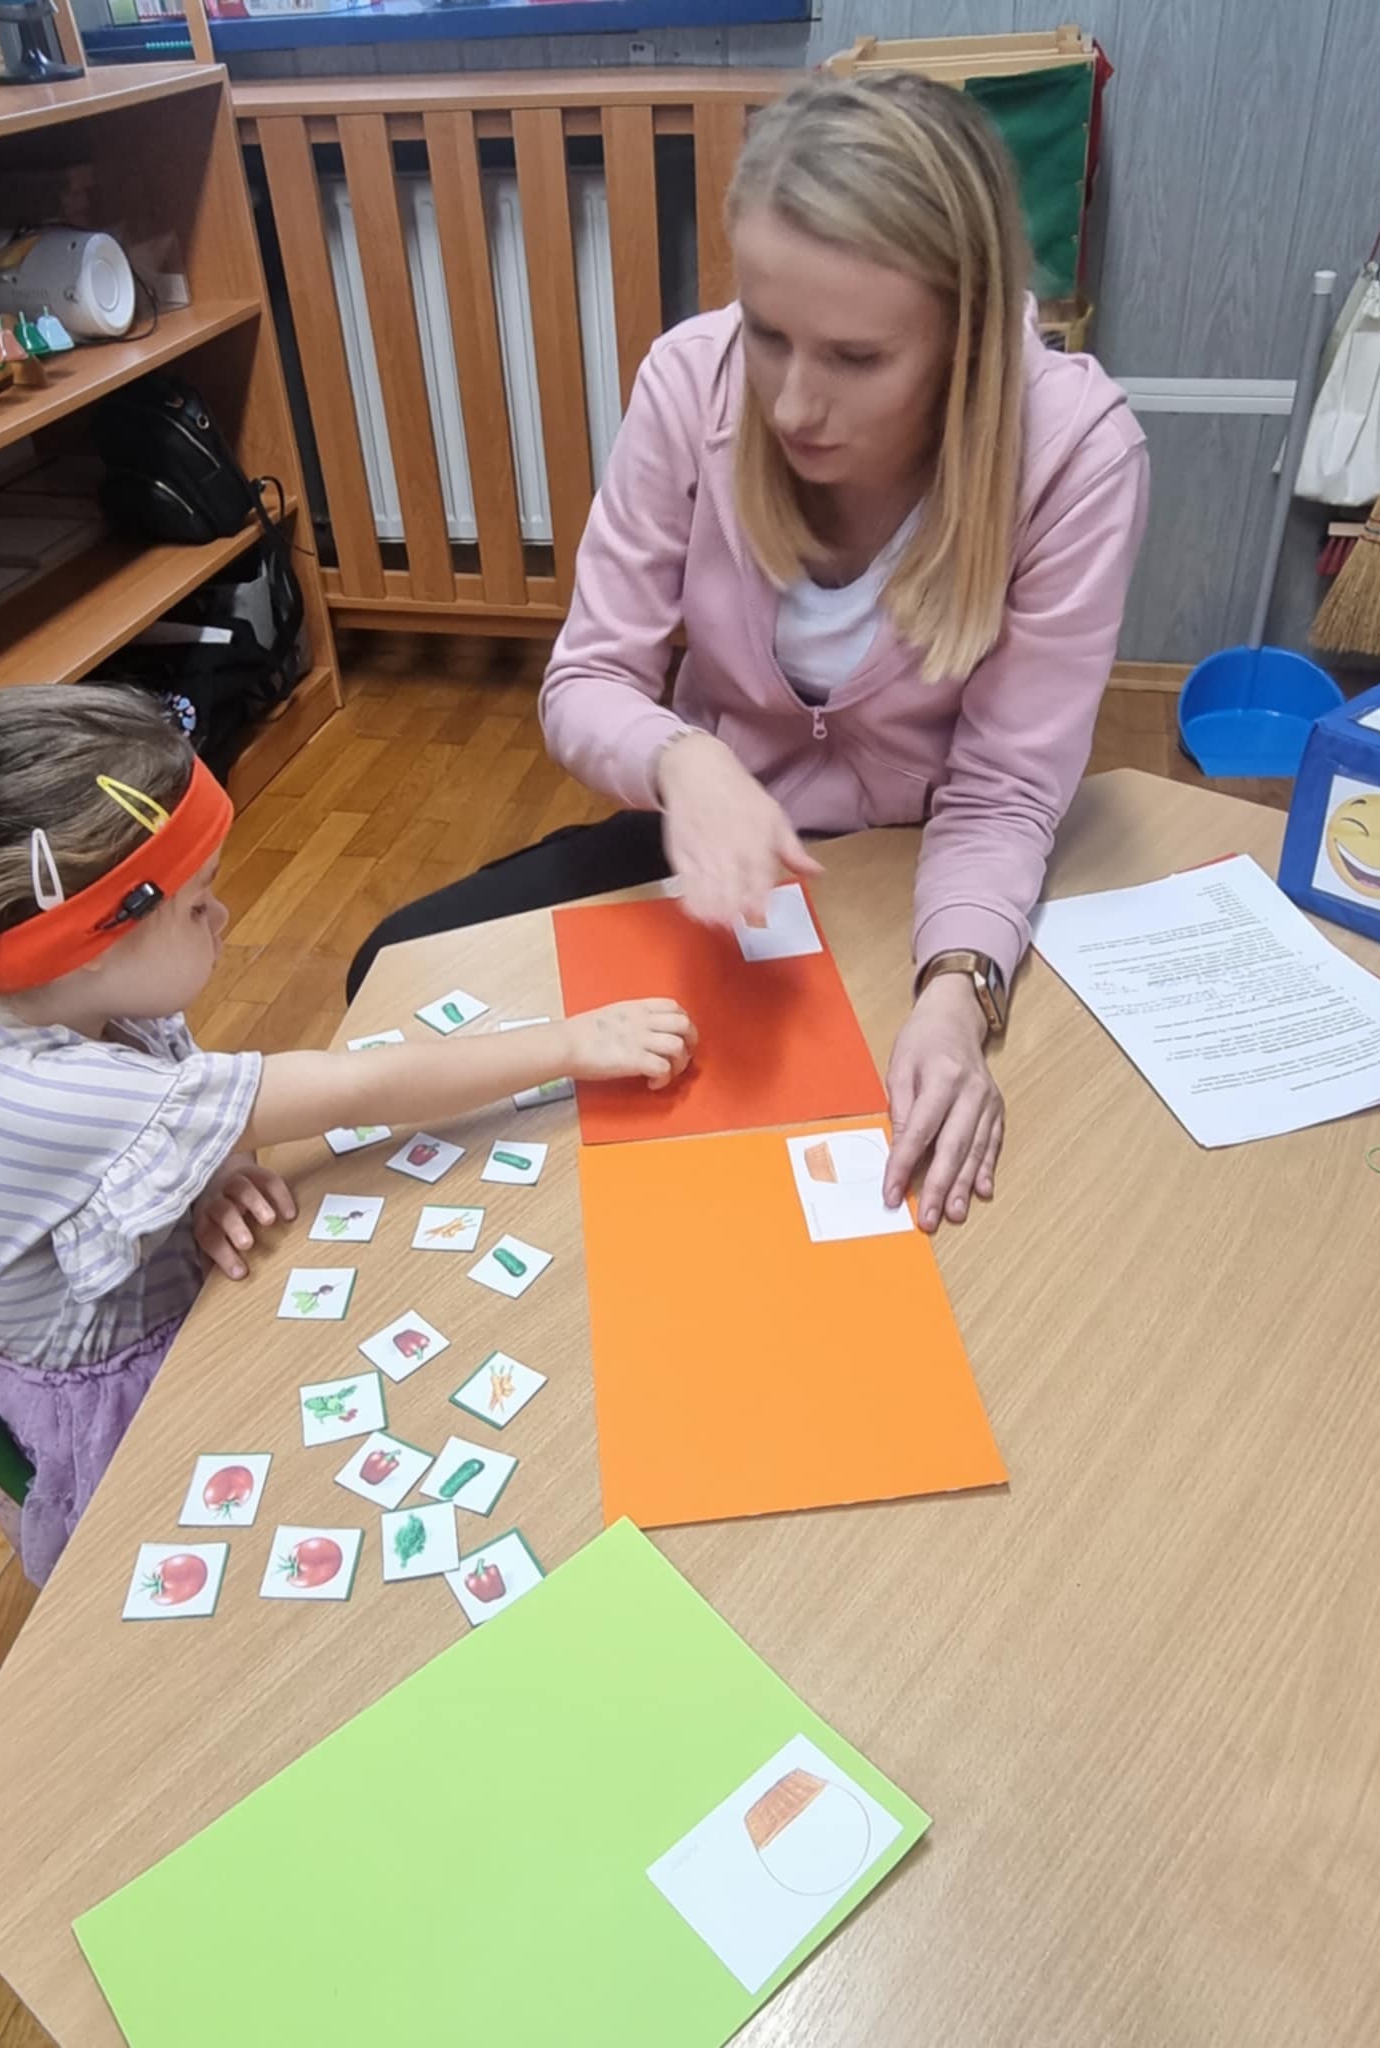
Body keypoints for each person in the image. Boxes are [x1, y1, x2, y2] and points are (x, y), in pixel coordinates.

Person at [350, 71, 1149, 1232]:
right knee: (396, 962)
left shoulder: (1076, 455)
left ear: (965, 335)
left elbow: (1003, 794)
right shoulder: (691, 381)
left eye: (857, 357)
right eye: (768, 335)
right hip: (717, 850)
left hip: (923, 871)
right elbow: (587, 680)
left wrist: (955, 995)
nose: (793, 406)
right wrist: (685, 761)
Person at [0, 687, 694, 1585]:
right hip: (123, 1406)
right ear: (78, 946)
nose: (224, 918)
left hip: (152, 1299)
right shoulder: (44, 1092)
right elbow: (351, 1087)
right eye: (198, 905)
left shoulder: (23, 1000)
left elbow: (162, 1124)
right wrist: (572, 1043)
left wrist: (211, 1170)